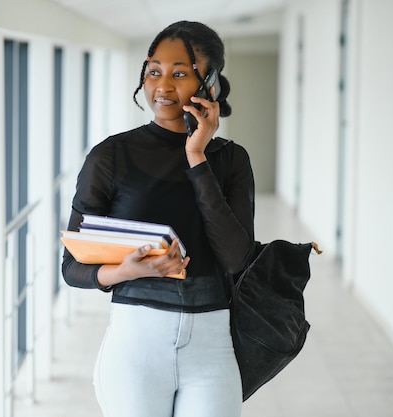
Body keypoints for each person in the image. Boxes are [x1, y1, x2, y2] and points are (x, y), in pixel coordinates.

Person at [61, 20, 255, 417]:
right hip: (135, 345)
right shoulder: (110, 156)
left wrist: (197, 158)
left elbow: (236, 259)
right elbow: (72, 267)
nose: (162, 87)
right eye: (154, 71)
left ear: (210, 84)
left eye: (181, 73)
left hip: (212, 345)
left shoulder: (231, 159)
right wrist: (124, 271)